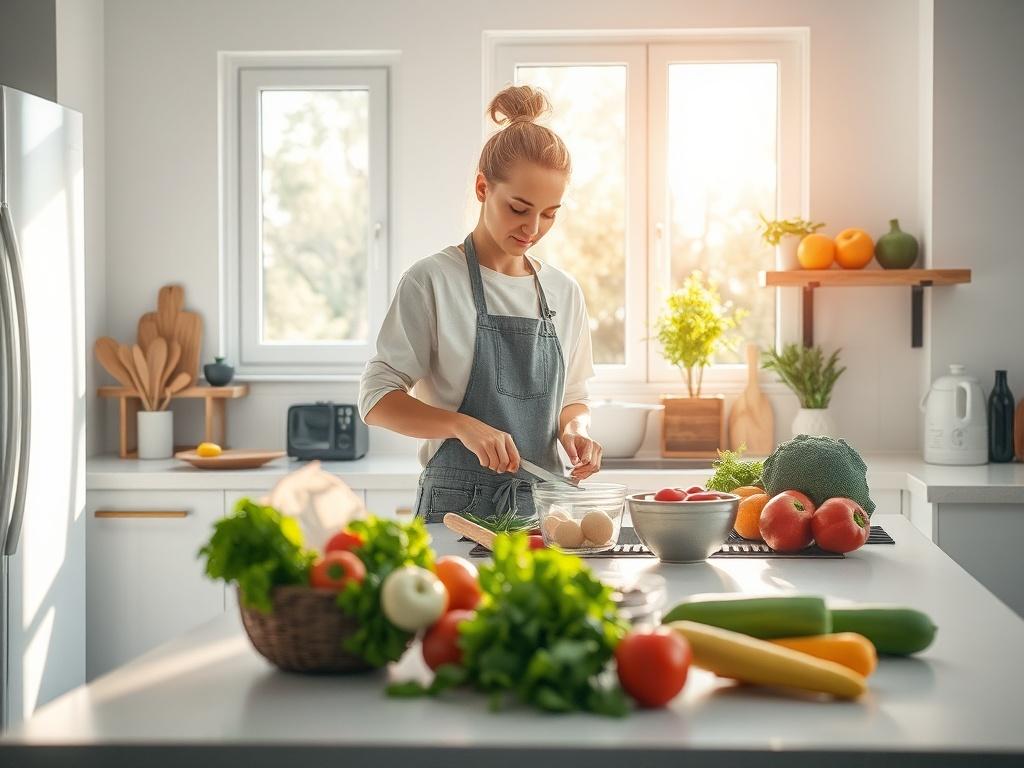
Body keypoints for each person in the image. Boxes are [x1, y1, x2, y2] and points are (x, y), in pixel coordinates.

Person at [358, 84, 602, 522]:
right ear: (481, 187)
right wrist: (460, 426)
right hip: (454, 513)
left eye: (549, 213)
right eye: (518, 208)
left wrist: (576, 429)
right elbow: (376, 399)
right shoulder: (432, 280)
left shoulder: (565, 292)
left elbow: (574, 397)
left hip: (546, 515)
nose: (532, 228)